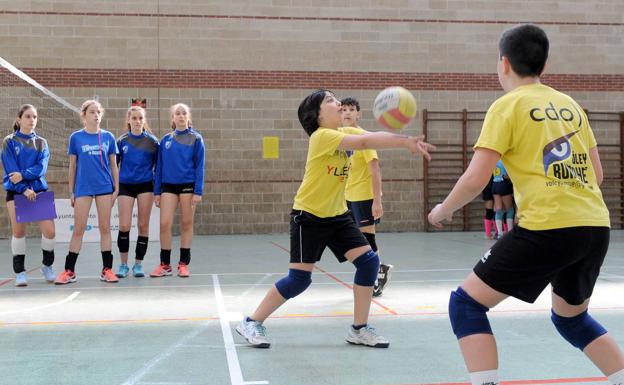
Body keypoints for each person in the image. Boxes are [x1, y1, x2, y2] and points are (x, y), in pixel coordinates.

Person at [428, 24, 624, 385]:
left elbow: (476, 178)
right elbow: (597, 174)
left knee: (466, 304)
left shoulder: (507, 106)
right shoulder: (570, 106)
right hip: (595, 226)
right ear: (543, 66)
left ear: (503, 64)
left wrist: (443, 208)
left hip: (549, 228)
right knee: (571, 319)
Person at [236, 89, 434, 348]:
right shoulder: (321, 137)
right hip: (308, 217)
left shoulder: (345, 132)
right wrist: (403, 141)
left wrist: (405, 140)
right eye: (330, 101)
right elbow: (364, 144)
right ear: (316, 115)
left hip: (338, 216)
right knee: (299, 280)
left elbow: (371, 137)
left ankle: (359, 329)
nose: (338, 103)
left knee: (368, 264)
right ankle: (251, 321)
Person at [55, 99, 120, 284]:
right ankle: (69, 271)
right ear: (84, 115)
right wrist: (71, 191)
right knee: (79, 229)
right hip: (83, 188)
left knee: (105, 228)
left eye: (98, 112)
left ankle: (107, 269)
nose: (96, 115)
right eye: (92, 112)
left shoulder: (108, 137)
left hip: (104, 188)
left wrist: (117, 188)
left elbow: (114, 165)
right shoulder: (76, 137)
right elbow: (72, 166)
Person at [340, 96, 393, 297]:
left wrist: (377, 199)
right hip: (347, 197)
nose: (346, 113)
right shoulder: (341, 139)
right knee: (354, 240)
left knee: (367, 237)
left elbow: (374, 168)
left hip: (364, 196)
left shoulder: (365, 138)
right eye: (343, 109)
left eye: (351, 109)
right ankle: (379, 269)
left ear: (358, 114)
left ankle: (375, 276)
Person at [1, 104, 56, 286]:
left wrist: (23, 175)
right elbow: (11, 170)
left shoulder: (42, 142)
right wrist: (24, 189)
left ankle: (47, 266)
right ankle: (20, 272)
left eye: (34, 117)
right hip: (17, 191)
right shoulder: (9, 141)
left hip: (39, 190)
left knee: (50, 232)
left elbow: (41, 168)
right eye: (28, 116)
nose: (32, 120)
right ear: (19, 119)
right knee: (19, 231)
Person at [150, 103, 205, 278]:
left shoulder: (196, 139)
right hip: (168, 186)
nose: (181, 116)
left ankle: (183, 263)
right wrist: (157, 191)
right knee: (164, 223)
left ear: (188, 117)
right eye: (177, 113)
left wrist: (198, 191)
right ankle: (165, 264)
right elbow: (159, 167)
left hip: (188, 186)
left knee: (186, 224)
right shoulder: (165, 140)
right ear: (172, 118)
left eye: (184, 113)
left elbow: (200, 166)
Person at [115, 106, 159, 278]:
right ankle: (123, 265)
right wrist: (114, 187)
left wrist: (157, 189)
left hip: (145, 186)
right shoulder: (121, 141)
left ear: (144, 120)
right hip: (126, 185)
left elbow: (159, 166)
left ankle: (138, 264)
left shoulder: (153, 142)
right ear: (129, 120)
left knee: (143, 225)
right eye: (134, 118)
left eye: (140, 118)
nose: (137, 121)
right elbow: (114, 165)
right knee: (124, 225)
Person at [491, 159, 514, 237]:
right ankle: (510, 233)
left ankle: (500, 234)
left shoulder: (494, 160)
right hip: (504, 184)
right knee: (510, 210)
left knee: (499, 209)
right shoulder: (505, 160)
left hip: (495, 184)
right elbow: (507, 175)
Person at [481, 175, 496, 240]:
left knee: (494, 211)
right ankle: (489, 233)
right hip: (490, 185)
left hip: (493, 184)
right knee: (491, 211)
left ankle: (494, 233)